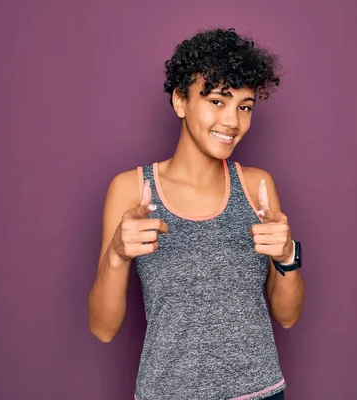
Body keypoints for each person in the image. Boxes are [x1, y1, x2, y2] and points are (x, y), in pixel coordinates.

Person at [88, 27, 305, 400]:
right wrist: (117, 256)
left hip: (259, 393)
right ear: (180, 101)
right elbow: (103, 328)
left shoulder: (257, 187)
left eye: (245, 106)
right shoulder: (132, 190)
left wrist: (288, 257)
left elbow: (287, 316)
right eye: (218, 101)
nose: (233, 121)